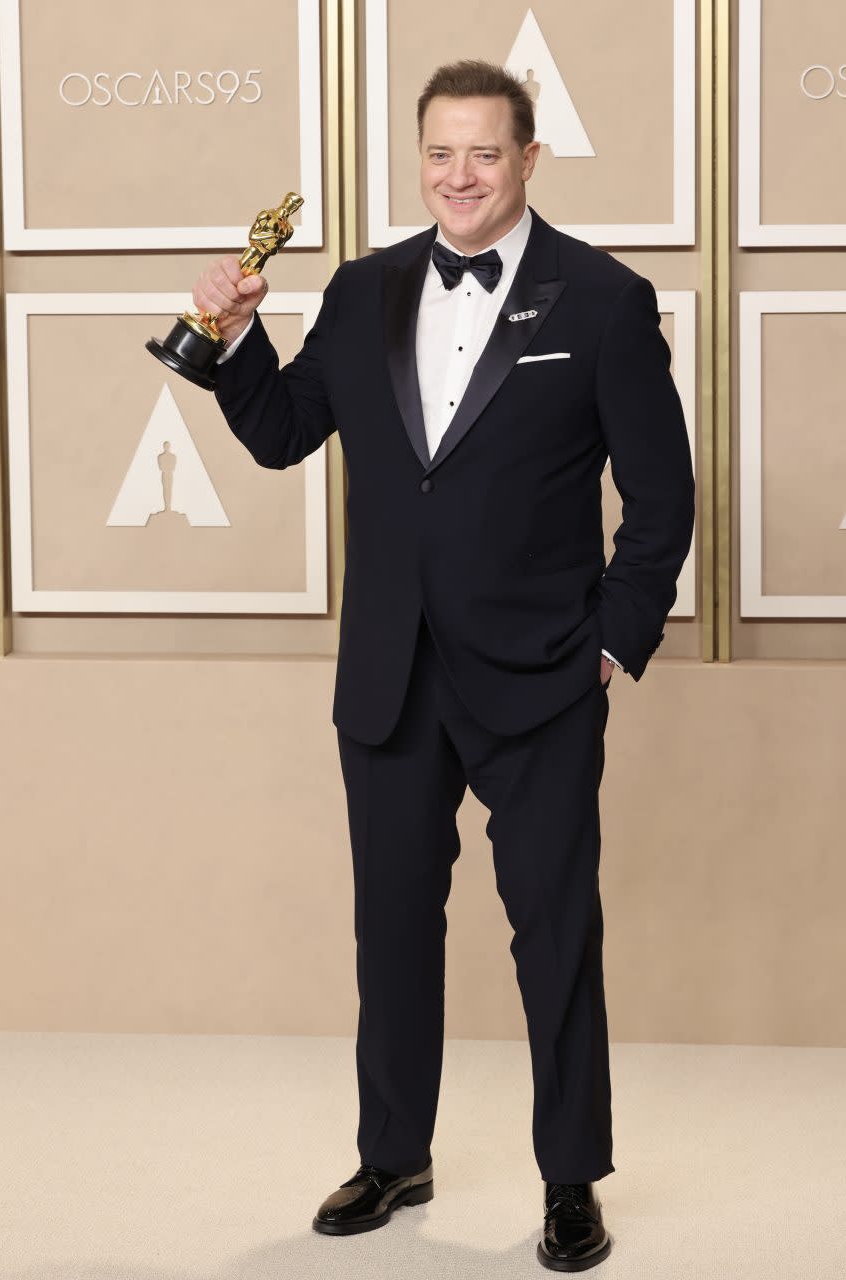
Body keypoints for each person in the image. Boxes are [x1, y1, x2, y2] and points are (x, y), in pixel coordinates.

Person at [193, 59, 695, 1272]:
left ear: (528, 159)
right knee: (391, 932)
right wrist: (232, 336)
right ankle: (392, 1154)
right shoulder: (362, 290)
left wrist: (613, 644)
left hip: (541, 677)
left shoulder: (602, 299)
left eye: (482, 152)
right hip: (389, 676)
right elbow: (278, 434)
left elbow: (662, 497)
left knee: (553, 932)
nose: (457, 176)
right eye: (437, 153)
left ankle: (570, 1178)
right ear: (417, 159)